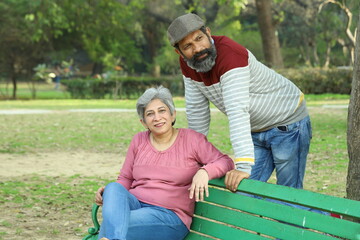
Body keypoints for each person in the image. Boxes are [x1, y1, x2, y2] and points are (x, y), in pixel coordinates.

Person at [167, 13, 312, 192]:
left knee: (289, 196)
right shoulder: (188, 64)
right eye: (188, 46)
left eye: (199, 38)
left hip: (288, 123)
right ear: (179, 53)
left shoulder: (230, 54)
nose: (197, 48)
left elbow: (238, 111)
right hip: (256, 130)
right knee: (245, 194)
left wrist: (243, 166)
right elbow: (197, 112)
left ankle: (333, 220)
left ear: (208, 33)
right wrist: (193, 159)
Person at [94, 86, 234, 240]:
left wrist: (205, 172)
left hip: (169, 216)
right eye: (150, 114)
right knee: (112, 188)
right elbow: (125, 178)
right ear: (143, 122)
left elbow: (225, 161)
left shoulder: (192, 140)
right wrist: (110, 196)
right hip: (135, 204)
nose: (157, 118)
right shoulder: (138, 140)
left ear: (173, 115)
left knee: (114, 223)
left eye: (162, 111)